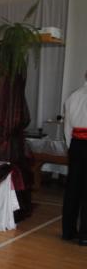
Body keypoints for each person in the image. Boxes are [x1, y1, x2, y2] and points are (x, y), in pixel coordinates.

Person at [62, 69, 87, 245]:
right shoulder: (74, 96)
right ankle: (85, 235)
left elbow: (67, 127)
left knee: (73, 188)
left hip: (76, 145)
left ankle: (68, 231)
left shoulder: (73, 96)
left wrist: (72, 147)